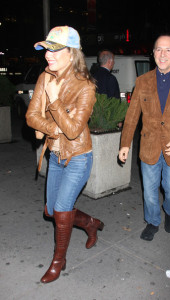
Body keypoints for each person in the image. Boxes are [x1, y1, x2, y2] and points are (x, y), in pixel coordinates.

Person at [26, 26, 104, 283]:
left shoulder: (86, 87)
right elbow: (31, 116)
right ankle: (90, 222)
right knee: (52, 210)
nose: (48, 54)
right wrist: (53, 127)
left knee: (61, 211)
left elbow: (72, 131)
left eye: (55, 49)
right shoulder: (44, 77)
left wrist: (55, 101)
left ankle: (58, 260)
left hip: (78, 157)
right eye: (46, 48)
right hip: (55, 157)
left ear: (71, 54)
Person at [119, 34, 170, 241]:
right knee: (149, 191)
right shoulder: (142, 81)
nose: (163, 54)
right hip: (149, 146)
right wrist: (125, 144)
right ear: (153, 53)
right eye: (158, 49)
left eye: (168, 50)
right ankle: (153, 221)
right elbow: (132, 117)